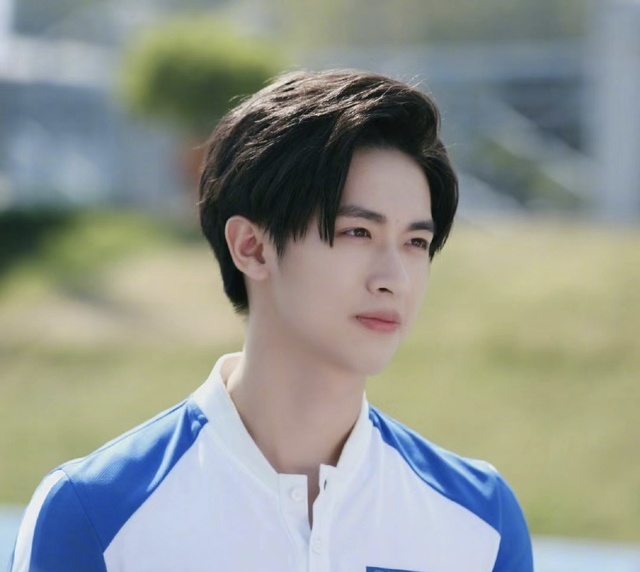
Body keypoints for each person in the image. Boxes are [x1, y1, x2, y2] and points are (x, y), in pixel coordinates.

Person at [10, 69, 533, 571]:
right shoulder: (94, 514)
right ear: (252, 247)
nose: (393, 278)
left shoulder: (480, 523)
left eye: (415, 242)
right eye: (357, 233)